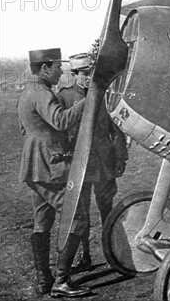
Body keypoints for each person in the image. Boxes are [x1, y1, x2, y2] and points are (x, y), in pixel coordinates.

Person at [17, 48, 91, 297]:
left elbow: (25, 130)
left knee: (43, 221)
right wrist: (86, 102)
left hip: (35, 167)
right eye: (58, 67)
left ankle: (43, 281)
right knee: (78, 218)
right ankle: (61, 280)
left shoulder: (29, 91)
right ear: (45, 67)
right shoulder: (40, 91)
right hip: (49, 167)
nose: (62, 71)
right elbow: (60, 121)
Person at [56, 53, 128, 272]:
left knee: (108, 210)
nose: (89, 78)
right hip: (80, 166)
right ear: (75, 74)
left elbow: (117, 130)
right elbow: (58, 130)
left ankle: (112, 254)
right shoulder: (65, 97)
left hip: (105, 163)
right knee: (82, 214)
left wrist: (120, 156)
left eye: (92, 74)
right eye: (85, 74)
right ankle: (84, 256)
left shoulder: (106, 96)